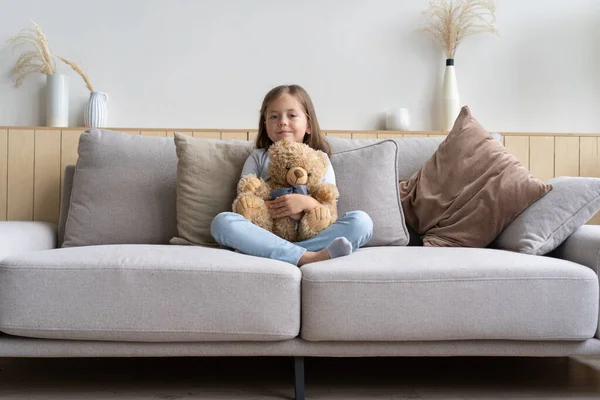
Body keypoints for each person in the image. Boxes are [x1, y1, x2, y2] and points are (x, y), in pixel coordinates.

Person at [211, 84, 373, 266]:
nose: (282, 121)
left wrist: (306, 204)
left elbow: (330, 209)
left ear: (309, 125)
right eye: (274, 116)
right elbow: (244, 202)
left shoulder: (320, 159)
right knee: (222, 222)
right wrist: (279, 207)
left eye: (292, 115)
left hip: (309, 233)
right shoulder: (257, 157)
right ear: (265, 124)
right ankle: (307, 257)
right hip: (267, 233)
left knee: (361, 221)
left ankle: (285, 253)